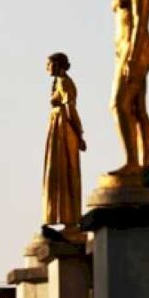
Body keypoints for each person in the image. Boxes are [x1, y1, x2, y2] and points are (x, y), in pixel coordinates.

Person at [110, 0, 149, 176]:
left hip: (136, 50)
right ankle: (145, 164)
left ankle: (133, 161)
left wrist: (132, 56)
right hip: (126, 50)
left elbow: (140, 22)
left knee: (118, 104)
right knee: (137, 108)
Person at [42, 52, 87, 233]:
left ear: (58, 65)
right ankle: (62, 216)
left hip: (64, 127)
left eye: (49, 64)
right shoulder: (59, 82)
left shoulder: (64, 83)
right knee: (58, 171)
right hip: (58, 126)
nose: (47, 67)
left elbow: (70, 110)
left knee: (66, 170)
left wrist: (79, 134)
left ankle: (70, 219)